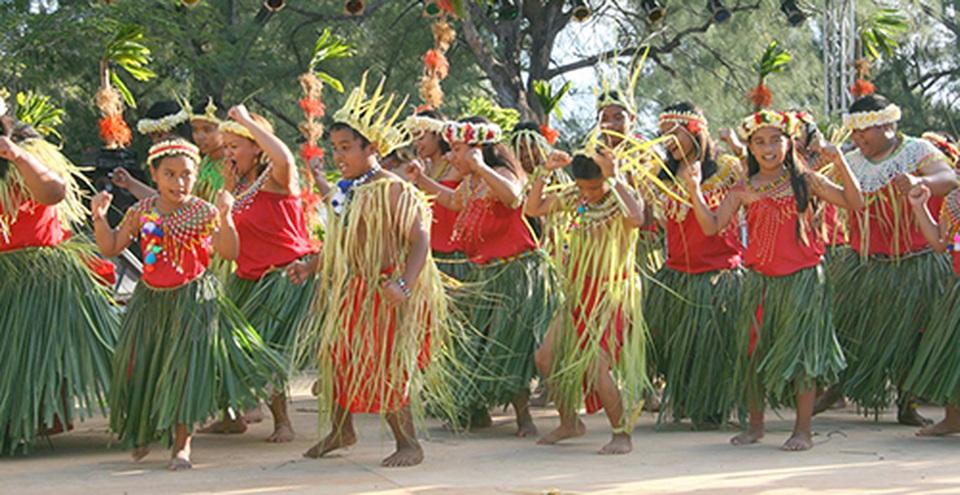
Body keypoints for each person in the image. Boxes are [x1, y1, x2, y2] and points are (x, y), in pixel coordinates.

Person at [291, 77, 453, 467]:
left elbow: (420, 238)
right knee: (337, 356)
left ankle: (408, 443)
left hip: (385, 289)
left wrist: (404, 285)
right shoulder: (346, 189)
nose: (338, 155)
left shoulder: (393, 188)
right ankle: (341, 430)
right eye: (335, 148)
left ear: (371, 148)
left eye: (346, 147)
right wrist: (311, 265)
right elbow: (341, 240)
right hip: (353, 289)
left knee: (385, 363)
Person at [92, 138, 282, 470]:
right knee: (142, 368)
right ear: (154, 174)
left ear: (195, 175)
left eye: (186, 175)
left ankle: (182, 446)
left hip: (193, 303)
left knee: (184, 373)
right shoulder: (141, 211)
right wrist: (99, 217)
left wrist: (225, 215)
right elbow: (111, 247)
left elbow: (229, 253)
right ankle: (142, 432)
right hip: (149, 303)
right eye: (169, 174)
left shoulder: (204, 211)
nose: (179, 182)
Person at [685, 110, 863, 451]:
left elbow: (854, 202)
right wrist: (694, 190)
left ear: (789, 143)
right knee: (752, 353)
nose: (768, 148)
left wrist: (839, 161)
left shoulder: (807, 181)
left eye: (775, 140)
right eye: (760, 142)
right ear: (750, 148)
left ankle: (803, 430)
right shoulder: (743, 189)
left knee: (802, 356)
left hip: (803, 282)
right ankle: (756, 426)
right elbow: (712, 226)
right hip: (761, 284)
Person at [407, 117, 560, 436]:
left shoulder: (500, 173)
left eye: (457, 150)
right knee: (475, 342)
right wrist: (422, 180)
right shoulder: (471, 182)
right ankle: (475, 412)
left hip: (517, 273)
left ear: (478, 149)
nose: (450, 156)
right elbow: (451, 200)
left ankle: (525, 417)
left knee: (508, 344)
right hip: (486, 273)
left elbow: (513, 197)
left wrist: (480, 167)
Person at [194, 105, 318, 442]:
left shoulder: (277, 178)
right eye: (226, 147)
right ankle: (231, 417)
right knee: (222, 344)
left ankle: (283, 422)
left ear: (257, 147)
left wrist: (247, 121)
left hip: (284, 278)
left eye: (235, 146)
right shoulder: (237, 188)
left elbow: (285, 158)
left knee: (265, 348)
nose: (228, 154)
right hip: (247, 279)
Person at [831, 94, 957, 424]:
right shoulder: (851, 161)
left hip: (916, 263)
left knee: (912, 335)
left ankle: (908, 402)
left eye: (865, 131)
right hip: (866, 264)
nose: (858, 138)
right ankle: (836, 389)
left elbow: (948, 179)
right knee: (851, 327)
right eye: (854, 132)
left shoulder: (917, 150)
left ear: (888, 125)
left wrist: (921, 181)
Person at [0, 115, 118, 455]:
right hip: (7, 272)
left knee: (33, 347)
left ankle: (37, 415)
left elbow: (55, 192)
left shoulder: (31, 151)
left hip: (40, 274)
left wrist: (17, 156)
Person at [526, 149, 648, 455]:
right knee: (545, 358)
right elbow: (533, 208)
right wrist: (545, 172)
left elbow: (637, 219)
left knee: (597, 366)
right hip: (579, 292)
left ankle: (622, 434)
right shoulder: (577, 197)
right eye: (582, 187)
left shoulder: (621, 197)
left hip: (612, 294)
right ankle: (570, 422)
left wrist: (613, 177)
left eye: (594, 187)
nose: (588, 194)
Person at [644, 103, 744, 428]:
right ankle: (686, 398)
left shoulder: (727, 169)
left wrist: (737, 147)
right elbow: (658, 223)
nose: (668, 141)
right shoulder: (662, 176)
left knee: (713, 346)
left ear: (696, 131)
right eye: (663, 134)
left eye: (675, 133)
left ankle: (713, 406)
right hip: (677, 274)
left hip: (718, 274)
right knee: (680, 344)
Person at [903, 181, 960, 436]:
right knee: (952, 352)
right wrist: (919, 207)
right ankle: (953, 418)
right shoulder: (954, 200)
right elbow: (941, 242)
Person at [404, 111, 469, 279]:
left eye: (420, 137)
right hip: (427, 252)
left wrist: (421, 179)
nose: (416, 143)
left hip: (456, 255)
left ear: (438, 135)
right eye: (413, 138)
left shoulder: (456, 166)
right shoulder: (423, 168)